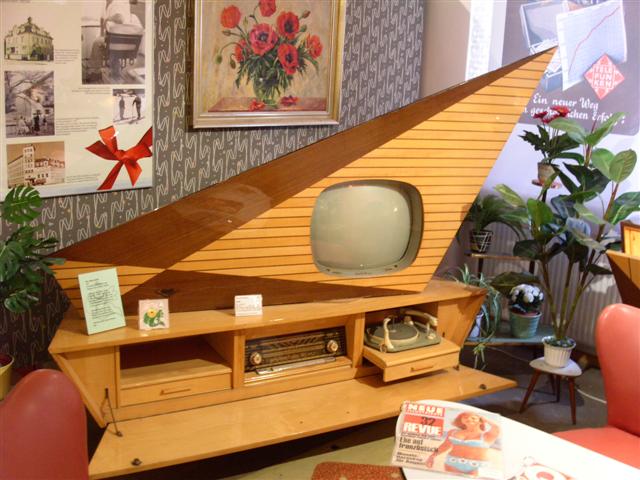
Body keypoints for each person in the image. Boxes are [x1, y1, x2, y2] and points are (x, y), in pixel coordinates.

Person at [426, 411, 500, 477]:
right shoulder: (453, 432)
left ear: (480, 421)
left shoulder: (487, 435)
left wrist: (485, 420)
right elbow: (445, 445)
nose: (469, 419)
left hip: (477, 466)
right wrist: (432, 456)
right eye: (465, 417)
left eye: (473, 418)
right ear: (461, 420)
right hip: (452, 462)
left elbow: (496, 427)